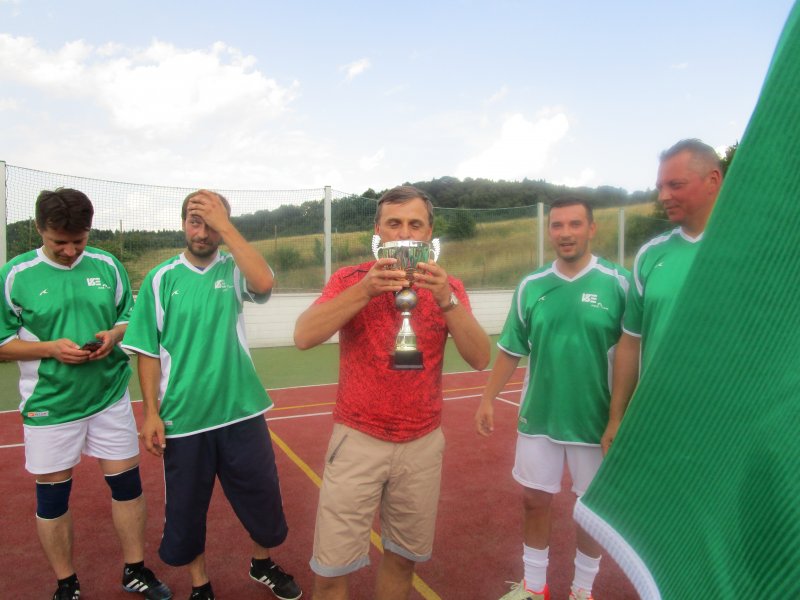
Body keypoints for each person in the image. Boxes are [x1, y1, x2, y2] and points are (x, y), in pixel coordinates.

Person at [294, 185, 491, 600]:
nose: (404, 233)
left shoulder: (448, 287)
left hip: (421, 443)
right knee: (330, 570)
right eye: (394, 223)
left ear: (429, 234)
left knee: (402, 561)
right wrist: (365, 290)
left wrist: (447, 300)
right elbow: (304, 336)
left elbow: (480, 357)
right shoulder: (350, 279)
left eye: (415, 225)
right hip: (357, 439)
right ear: (377, 231)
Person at [121, 190, 301, 600]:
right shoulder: (161, 279)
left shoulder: (234, 269)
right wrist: (151, 413)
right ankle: (200, 583)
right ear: (183, 223)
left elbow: (264, 283)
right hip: (184, 419)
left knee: (261, 498)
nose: (201, 233)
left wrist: (227, 226)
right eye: (194, 221)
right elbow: (147, 352)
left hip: (241, 412)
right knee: (187, 510)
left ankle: (261, 563)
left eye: (210, 223)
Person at [0, 188, 171, 600]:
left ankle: (134, 570)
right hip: (50, 406)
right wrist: (49, 349)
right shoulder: (15, 274)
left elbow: (131, 318)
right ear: (39, 229)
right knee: (53, 497)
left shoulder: (108, 265)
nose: (70, 250)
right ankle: (67, 583)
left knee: (127, 486)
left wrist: (114, 334)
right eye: (59, 242)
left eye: (79, 240)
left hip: (109, 397)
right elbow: (2, 343)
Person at [475, 198, 630, 600]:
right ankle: (534, 587)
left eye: (575, 224)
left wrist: (623, 415)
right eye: (557, 225)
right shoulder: (532, 285)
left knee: (590, 512)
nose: (565, 233)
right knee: (533, 500)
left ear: (592, 229)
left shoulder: (619, 282)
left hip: (596, 421)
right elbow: (511, 348)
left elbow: (634, 351)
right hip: (539, 416)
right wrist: (488, 398)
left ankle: (582, 590)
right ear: (550, 231)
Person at [601, 139, 723, 455]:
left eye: (675, 185)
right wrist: (616, 418)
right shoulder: (650, 255)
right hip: (661, 419)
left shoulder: (752, 249)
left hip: (732, 420)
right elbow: (631, 342)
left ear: (713, 180)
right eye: (660, 186)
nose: (663, 196)